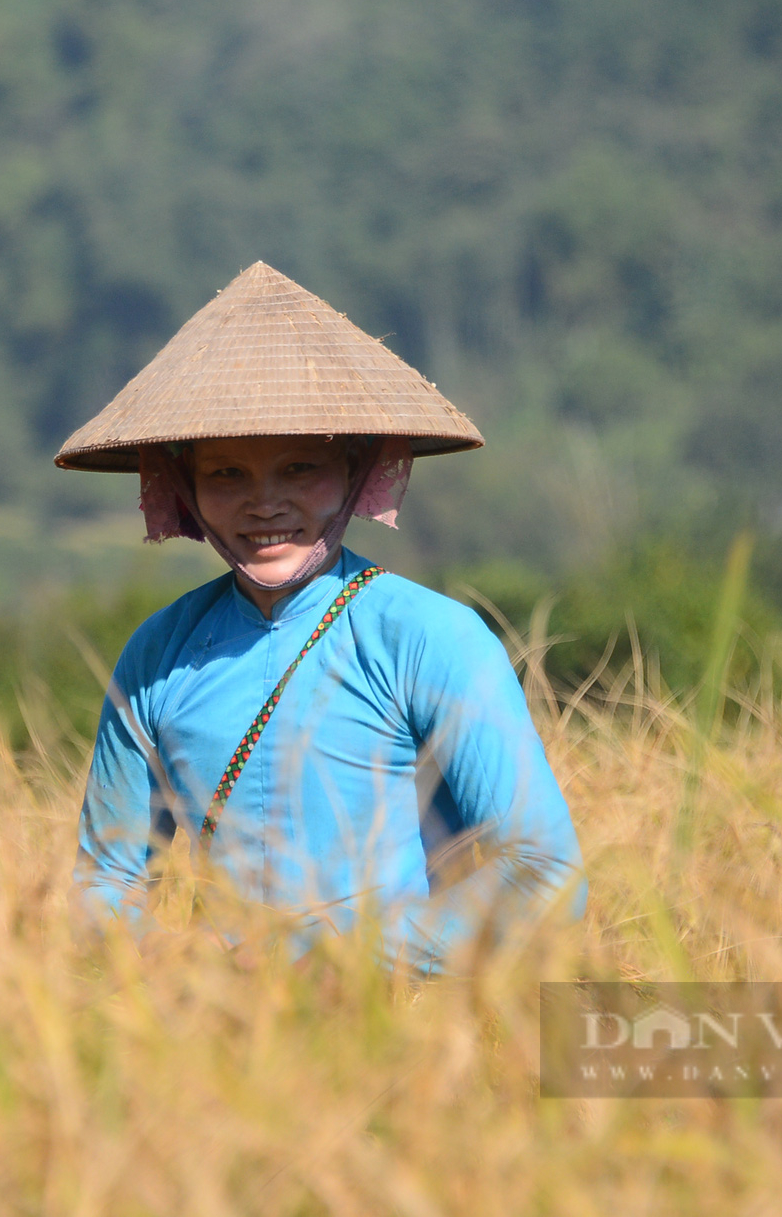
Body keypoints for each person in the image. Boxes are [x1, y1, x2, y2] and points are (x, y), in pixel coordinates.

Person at [58, 261, 584, 974]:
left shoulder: (428, 638)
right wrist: (175, 966)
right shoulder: (159, 655)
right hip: (221, 1048)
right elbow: (107, 881)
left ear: (358, 472)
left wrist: (341, 961)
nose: (264, 504)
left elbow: (543, 872)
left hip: (403, 1037)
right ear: (182, 488)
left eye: (300, 469)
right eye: (226, 475)